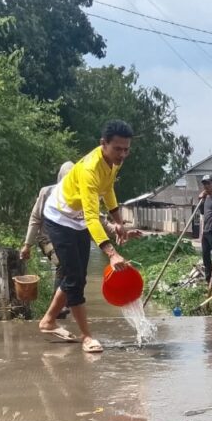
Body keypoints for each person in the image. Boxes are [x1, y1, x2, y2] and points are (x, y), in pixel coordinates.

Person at [38, 119, 141, 353]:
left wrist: (118, 223)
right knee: (75, 279)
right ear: (103, 144)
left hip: (78, 219)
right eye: (117, 149)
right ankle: (87, 337)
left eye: (126, 149)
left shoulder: (114, 162)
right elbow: (92, 218)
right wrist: (112, 254)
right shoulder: (89, 169)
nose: (122, 154)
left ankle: (48, 320)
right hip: (59, 217)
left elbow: (108, 189)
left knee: (77, 276)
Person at [21, 160, 74, 317]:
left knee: (75, 269)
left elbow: (94, 215)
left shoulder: (77, 194)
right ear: (60, 178)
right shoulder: (47, 192)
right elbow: (35, 218)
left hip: (67, 239)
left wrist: (113, 228)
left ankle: (63, 304)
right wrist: (27, 245)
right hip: (47, 238)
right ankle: (56, 307)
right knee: (62, 263)